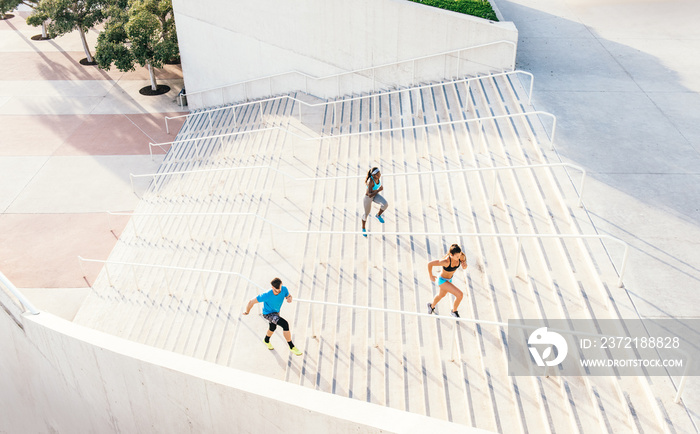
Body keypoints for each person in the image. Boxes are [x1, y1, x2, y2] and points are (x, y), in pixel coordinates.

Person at [243, 277, 303, 356]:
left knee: (273, 327)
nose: (278, 292)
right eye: (275, 290)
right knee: (285, 324)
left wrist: (289, 298)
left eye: (279, 290)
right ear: (272, 287)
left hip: (276, 312)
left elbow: (288, 296)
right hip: (268, 314)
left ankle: (266, 340)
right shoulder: (266, 295)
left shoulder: (284, 289)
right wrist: (247, 312)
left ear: (281, 285)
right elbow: (251, 301)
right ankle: (291, 346)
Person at [426, 244, 467, 318]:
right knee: (460, 295)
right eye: (457, 256)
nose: (458, 258)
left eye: (459, 255)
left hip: (449, 279)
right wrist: (431, 276)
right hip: (442, 280)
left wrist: (464, 265)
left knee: (441, 295)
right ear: (451, 255)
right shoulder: (446, 261)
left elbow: (464, 265)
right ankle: (454, 311)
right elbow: (430, 264)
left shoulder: (461, 256)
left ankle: (431, 306)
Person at [361, 167, 389, 237]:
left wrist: (377, 191)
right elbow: (370, 195)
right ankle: (363, 228)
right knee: (366, 214)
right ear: (373, 175)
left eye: (379, 173)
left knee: (385, 204)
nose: (380, 175)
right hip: (368, 198)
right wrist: (378, 190)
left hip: (375, 195)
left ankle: (378, 215)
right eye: (378, 174)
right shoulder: (370, 182)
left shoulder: (377, 178)